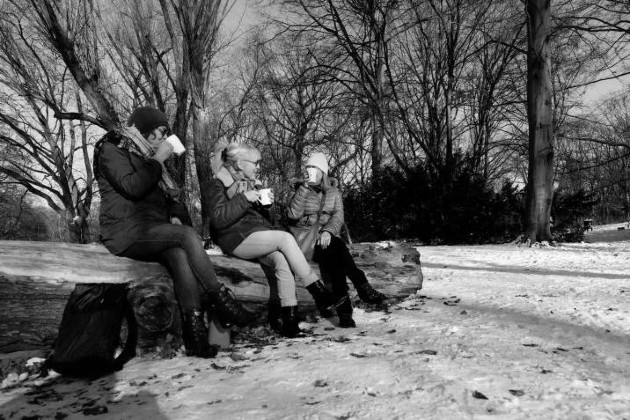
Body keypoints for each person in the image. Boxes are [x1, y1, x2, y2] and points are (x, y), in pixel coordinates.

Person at [94, 106, 256, 359]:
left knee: (180, 252)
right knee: (186, 237)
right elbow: (133, 187)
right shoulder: (112, 149)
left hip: (153, 229)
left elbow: (174, 199)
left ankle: (195, 337)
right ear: (145, 130)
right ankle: (222, 302)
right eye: (159, 133)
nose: (162, 139)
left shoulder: (150, 160)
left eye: (165, 134)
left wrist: (177, 216)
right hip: (124, 231)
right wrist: (158, 159)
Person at [207, 142, 342, 338]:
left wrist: (267, 204)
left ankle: (289, 321)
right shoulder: (217, 184)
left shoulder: (252, 184)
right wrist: (245, 199)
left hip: (255, 236)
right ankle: (319, 292)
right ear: (239, 164)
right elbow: (218, 219)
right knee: (285, 238)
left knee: (281, 261)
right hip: (235, 239)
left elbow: (268, 222)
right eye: (256, 162)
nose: (259, 167)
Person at [287, 152, 388, 327]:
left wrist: (327, 231)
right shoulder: (299, 190)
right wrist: (303, 187)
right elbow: (292, 214)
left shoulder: (333, 192)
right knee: (338, 248)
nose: (309, 170)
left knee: (335, 259)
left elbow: (338, 217)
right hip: (306, 243)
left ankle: (346, 314)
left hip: (326, 241)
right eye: (308, 168)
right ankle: (362, 287)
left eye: (314, 168)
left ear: (323, 172)